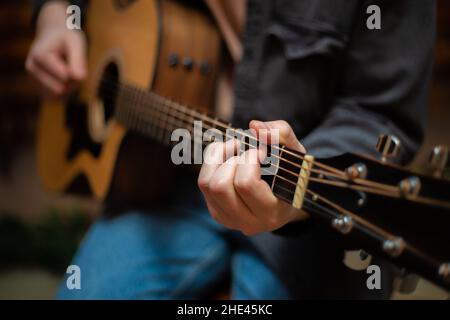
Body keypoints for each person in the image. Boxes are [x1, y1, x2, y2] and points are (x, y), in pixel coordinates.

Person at [26, 0, 435, 299]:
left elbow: (379, 112)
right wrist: (57, 15)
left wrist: (293, 206)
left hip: (309, 196)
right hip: (162, 176)